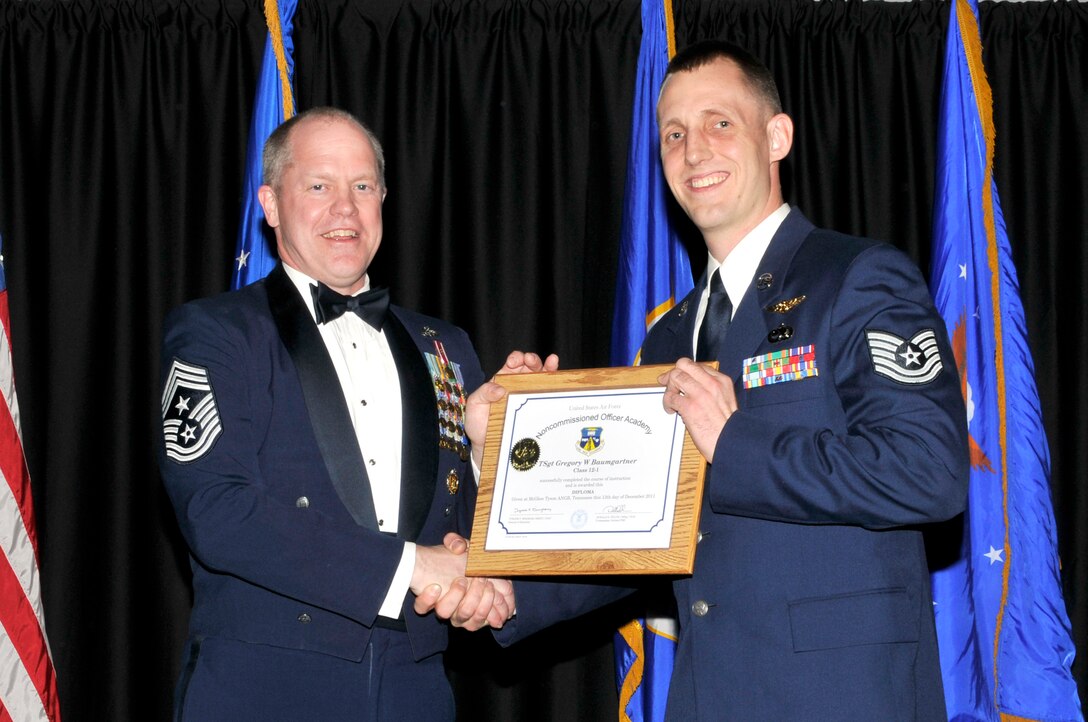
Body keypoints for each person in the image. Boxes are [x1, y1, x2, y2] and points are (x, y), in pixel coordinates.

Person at [434, 40, 970, 720]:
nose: (694, 151)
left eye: (720, 123)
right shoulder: (669, 336)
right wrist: (505, 570)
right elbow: (640, 536)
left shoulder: (856, 277)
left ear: (777, 137)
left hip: (842, 697)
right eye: (674, 134)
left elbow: (928, 472)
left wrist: (735, 441)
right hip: (705, 696)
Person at [156, 106, 529, 720]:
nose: (345, 209)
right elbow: (217, 510)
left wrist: (493, 454)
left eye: (361, 186)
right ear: (271, 205)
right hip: (266, 687)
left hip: (415, 690)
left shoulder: (445, 345)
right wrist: (411, 567)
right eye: (318, 186)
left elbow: (458, 529)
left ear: (383, 198)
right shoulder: (216, 334)